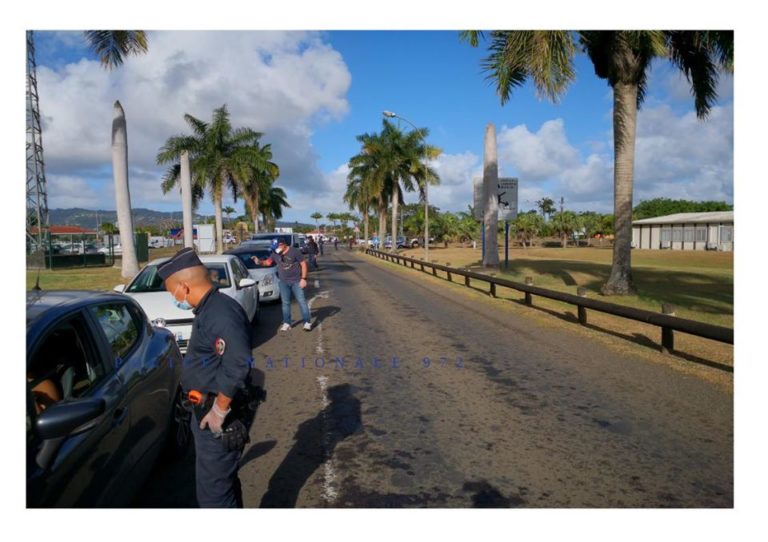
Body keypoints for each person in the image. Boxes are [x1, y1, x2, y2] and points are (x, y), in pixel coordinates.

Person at [157, 247, 252, 508]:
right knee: (223, 486)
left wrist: (220, 411)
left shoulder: (220, 313)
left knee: (214, 498)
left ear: (184, 287)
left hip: (218, 416)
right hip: (205, 409)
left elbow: (238, 363)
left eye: (171, 291)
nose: (173, 298)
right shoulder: (208, 309)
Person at [252, 239, 312, 332]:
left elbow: (303, 264)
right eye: (274, 248)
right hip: (283, 282)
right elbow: (268, 262)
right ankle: (287, 323)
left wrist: (303, 279)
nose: (276, 250)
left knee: (302, 301)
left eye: (277, 247)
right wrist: (259, 262)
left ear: (283, 244)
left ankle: (307, 322)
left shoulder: (294, 251)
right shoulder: (275, 253)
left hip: (296, 281)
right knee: (285, 303)